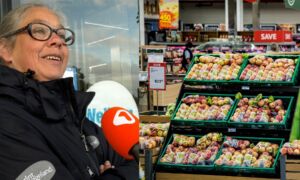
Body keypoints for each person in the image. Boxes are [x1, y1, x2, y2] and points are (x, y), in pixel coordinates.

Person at [0, 3, 138, 180]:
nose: (57, 40)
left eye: (62, 35)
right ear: (5, 49)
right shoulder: (6, 121)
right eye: (40, 31)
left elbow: (134, 162)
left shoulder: (75, 117)